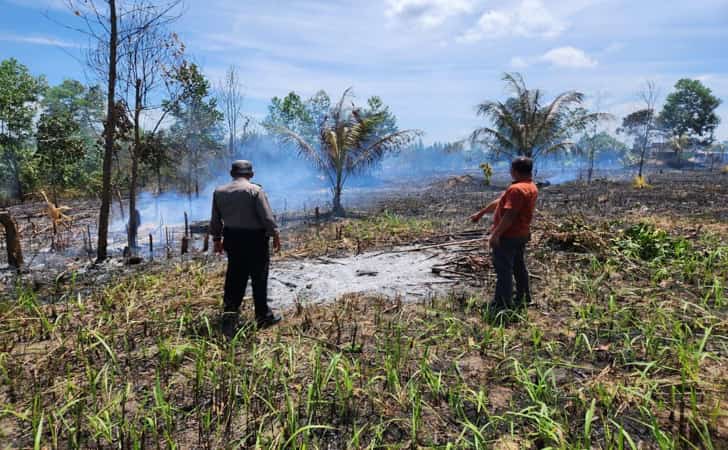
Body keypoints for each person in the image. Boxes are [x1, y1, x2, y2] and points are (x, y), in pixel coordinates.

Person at [210, 160, 282, 335]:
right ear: (251, 174)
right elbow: (266, 217)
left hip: (232, 239)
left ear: (232, 173)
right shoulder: (255, 191)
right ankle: (263, 316)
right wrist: (275, 235)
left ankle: (229, 317)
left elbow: (215, 219)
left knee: (234, 276)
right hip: (255, 239)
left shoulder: (219, 192)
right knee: (259, 276)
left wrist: (217, 239)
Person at [470, 157, 538, 310]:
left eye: (511, 169)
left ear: (514, 171)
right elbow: (500, 202)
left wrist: (496, 234)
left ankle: (502, 303)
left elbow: (510, 215)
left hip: (509, 236)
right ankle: (524, 297)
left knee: (504, 270)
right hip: (521, 234)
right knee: (519, 267)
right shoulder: (530, 186)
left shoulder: (516, 189)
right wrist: (480, 214)